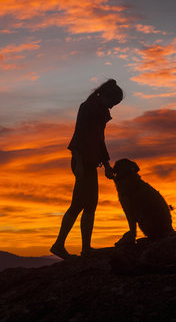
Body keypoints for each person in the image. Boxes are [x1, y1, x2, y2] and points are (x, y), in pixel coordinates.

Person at [51, 79, 124, 259]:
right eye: (113, 103)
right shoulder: (88, 107)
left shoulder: (101, 111)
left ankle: (85, 248)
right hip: (81, 161)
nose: (113, 107)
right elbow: (79, 135)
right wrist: (80, 164)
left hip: (91, 162)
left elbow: (100, 140)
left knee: (90, 205)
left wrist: (107, 165)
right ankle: (59, 245)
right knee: (78, 205)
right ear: (106, 96)